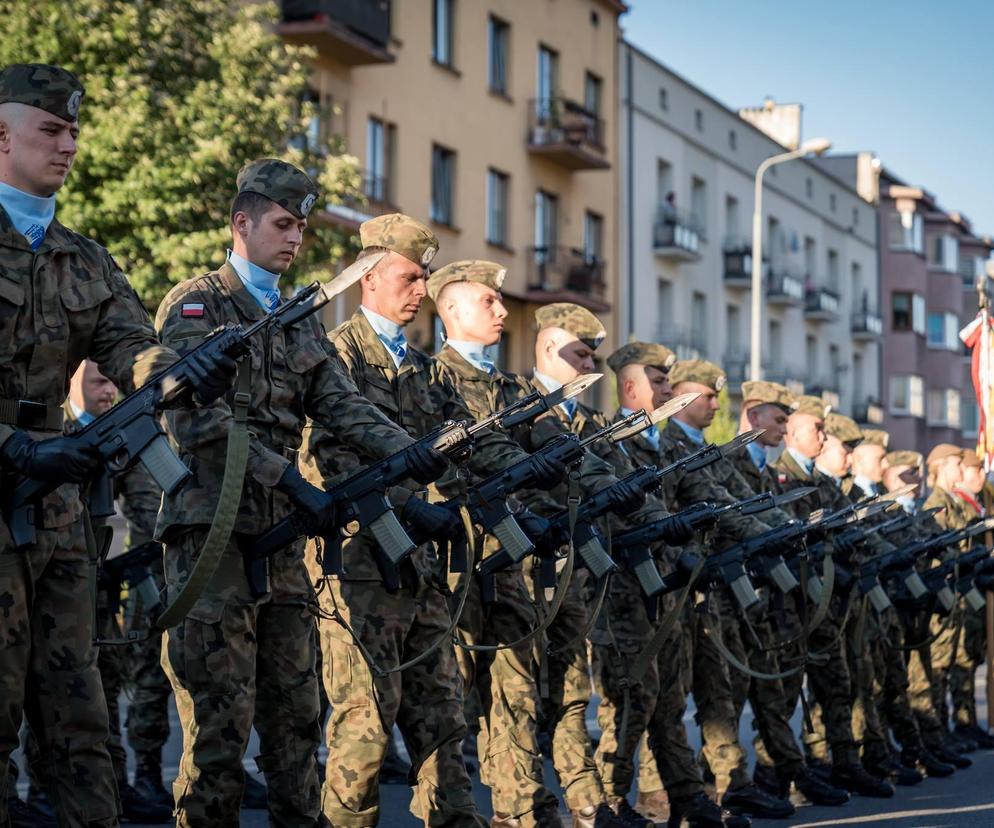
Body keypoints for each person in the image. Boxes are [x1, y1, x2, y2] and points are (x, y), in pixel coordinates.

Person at [155, 166, 439, 827]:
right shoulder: (198, 304)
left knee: (297, 726)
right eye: (283, 225)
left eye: (301, 228)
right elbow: (193, 419)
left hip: (284, 544)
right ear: (242, 223)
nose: (295, 239)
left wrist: (416, 455)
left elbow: (341, 405)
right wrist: (288, 477)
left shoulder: (297, 319)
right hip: (214, 536)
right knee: (221, 728)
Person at [0, 63, 236, 828]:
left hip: (59, 512)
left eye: (73, 131)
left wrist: (182, 368)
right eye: (51, 130)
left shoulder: (85, 255)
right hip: (9, 488)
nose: (68, 145)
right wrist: (18, 447)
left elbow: (132, 343)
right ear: (2, 135)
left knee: (81, 718)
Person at [301, 217, 565, 827]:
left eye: (424, 278)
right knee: (364, 734)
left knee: (445, 726)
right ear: (368, 278)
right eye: (408, 277)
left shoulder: (423, 369)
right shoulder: (335, 354)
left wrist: (535, 467)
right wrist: (407, 507)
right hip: (357, 570)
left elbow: (469, 443)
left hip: (416, 572)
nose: (419, 289)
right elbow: (326, 459)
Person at [430, 262, 639, 828]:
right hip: (458, 560)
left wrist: (627, 487)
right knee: (450, 701)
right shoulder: (432, 378)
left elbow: (562, 456)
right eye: (489, 302)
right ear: (451, 311)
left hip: (517, 561)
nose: (503, 312)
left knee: (519, 692)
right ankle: (452, 814)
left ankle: (523, 808)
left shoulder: (511, 391)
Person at [527, 315, 703, 828]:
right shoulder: (594, 429)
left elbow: (640, 498)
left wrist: (681, 526)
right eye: (661, 381)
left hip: (648, 586)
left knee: (657, 695)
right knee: (612, 695)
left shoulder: (646, 440)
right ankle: (600, 798)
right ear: (632, 386)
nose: (670, 389)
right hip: (605, 585)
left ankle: (655, 797)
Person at [723, 381, 849, 806]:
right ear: (754, 416)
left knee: (775, 693)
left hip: (772, 598)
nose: (784, 427)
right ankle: (732, 782)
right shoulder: (731, 462)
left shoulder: (763, 470)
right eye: (779, 419)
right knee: (731, 697)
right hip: (736, 597)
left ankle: (778, 774)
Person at [769, 397, 894, 798]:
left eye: (825, 431)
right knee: (784, 694)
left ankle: (842, 762)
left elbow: (852, 532)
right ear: (791, 432)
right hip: (791, 602)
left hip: (826, 603)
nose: (823, 438)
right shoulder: (776, 476)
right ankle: (776, 773)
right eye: (815, 429)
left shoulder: (822, 485)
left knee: (836, 685)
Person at [948, 449, 994, 749]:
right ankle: (962, 723)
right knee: (960, 661)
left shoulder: (977, 505)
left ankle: (969, 722)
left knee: (973, 657)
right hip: (963, 594)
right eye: (975, 470)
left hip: (977, 592)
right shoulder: (953, 505)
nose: (981, 476)